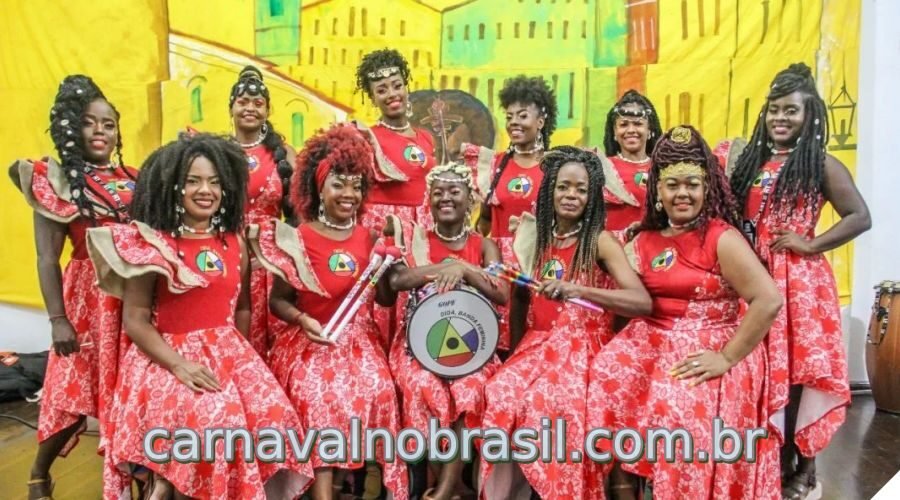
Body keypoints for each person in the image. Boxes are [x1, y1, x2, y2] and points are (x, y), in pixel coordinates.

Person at [87, 133, 312, 499]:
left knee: (276, 417)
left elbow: (241, 308)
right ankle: (169, 485)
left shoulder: (234, 242)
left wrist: (239, 361)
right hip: (164, 358)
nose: (205, 190)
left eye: (213, 181)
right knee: (214, 423)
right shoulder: (151, 245)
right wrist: (179, 366)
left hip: (227, 352)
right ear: (173, 186)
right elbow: (136, 321)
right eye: (192, 180)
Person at [587, 125, 784, 500]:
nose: (683, 194)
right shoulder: (642, 239)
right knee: (602, 376)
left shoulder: (721, 237)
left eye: (692, 184)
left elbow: (768, 300)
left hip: (714, 347)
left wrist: (726, 357)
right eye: (673, 184)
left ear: (706, 188)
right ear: (657, 191)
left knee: (676, 410)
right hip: (654, 341)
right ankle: (626, 484)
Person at [727, 63, 871, 500]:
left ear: (810, 116)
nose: (781, 119)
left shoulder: (821, 162)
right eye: (774, 111)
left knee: (799, 376)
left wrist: (811, 245)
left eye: (791, 111)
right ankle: (772, 461)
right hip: (753, 280)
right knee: (763, 373)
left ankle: (805, 469)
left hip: (800, 286)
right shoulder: (750, 159)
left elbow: (859, 216)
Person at [479, 146, 652, 500]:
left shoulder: (600, 241)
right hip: (536, 346)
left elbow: (641, 301)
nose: (571, 196)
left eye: (581, 189)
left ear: (592, 196)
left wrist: (577, 289)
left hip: (583, 346)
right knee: (498, 392)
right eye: (563, 187)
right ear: (549, 191)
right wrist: (514, 352)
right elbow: (522, 297)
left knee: (552, 402)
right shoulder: (537, 237)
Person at [251, 124, 407, 500]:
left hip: (357, 340)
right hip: (309, 339)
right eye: (339, 184)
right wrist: (304, 320)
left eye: (356, 184)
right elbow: (278, 302)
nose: (349, 193)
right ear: (318, 187)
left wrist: (385, 266)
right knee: (320, 395)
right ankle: (324, 491)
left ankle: (351, 483)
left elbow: (384, 301)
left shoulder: (370, 236)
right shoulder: (299, 237)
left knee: (379, 389)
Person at [8, 75, 138, 500]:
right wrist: (57, 319)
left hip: (134, 300)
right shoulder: (54, 181)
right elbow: (47, 258)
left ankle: (132, 476)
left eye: (108, 124)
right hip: (86, 301)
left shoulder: (135, 177)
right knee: (69, 393)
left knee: (131, 395)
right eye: (89, 123)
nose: (100, 132)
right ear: (70, 128)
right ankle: (38, 475)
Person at [386, 163, 509, 500]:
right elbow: (397, 280)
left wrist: (465, 268)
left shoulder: (485, 247)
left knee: (470, 388)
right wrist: (444, 266)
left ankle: (444, 489)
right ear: (428, 200)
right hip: (418, 346)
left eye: (454, 191)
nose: (446, 198)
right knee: (423, 386)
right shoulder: (414, 240)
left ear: (471, 200)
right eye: (438, 192)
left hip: (471, 346)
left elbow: (501, 292)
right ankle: (446, 483)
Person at [460, 75, 558, 355]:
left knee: (532, 342)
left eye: (523, 115)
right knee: (496, 344)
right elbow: (486, 220)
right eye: (510, 115)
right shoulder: (493, 165)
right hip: (500, 265)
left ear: (541, 121)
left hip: (538, 260)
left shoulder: (556, 166)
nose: (514, 121)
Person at [353, 48, 437, 354]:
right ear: (372, 97)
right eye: (381, 89)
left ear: (406, 85)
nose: (392, 94)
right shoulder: (366, 137)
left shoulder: (426, 137)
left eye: (397, 85)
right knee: (386, 299)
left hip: (420, 231)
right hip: (383, 231)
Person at [228, 65, 297, 362]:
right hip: (230, 261)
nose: (250, 109)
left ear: (268, 111)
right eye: (242, 102)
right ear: (230, 107)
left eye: (258, 104)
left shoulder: (284, 153)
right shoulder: (217, 151)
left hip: (272, 266)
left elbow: (297, 214)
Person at [601, 90, 663, 235]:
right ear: (614, 133)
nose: (631, 130)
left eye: (638, 124)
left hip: (652, 250)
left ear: (649, 131)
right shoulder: (602, 168)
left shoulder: (663, 168)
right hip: (611, 252)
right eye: (623, 125)